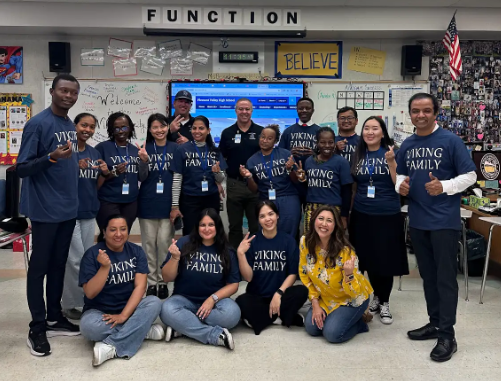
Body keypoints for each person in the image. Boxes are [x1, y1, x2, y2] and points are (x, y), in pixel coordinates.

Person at [396, 93, 477, 362]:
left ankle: (448, 334)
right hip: (418, 222)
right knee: (428, 278)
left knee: (444, 280)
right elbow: (400, 176)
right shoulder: (407, 144)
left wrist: (445, 186)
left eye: (426, 110)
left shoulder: (451, 141)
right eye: (416, 111)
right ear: (410, 114)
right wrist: (401, 186)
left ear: (435, 113)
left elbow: (470, 175)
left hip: (444, 221)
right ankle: (435, 323)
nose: (421, 115)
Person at [17, 74, 81, 357]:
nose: (68, 96)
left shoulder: (68, 124)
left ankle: (54, 316)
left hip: (68, 208)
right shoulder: (37, 124)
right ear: (53, 91)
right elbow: (22, 168)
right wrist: (51, 157)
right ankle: (37, 326)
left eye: (73, 92)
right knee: (39, 268)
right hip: (44, 209)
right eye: (63, 90)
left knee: (58, 264)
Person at [79, 215, 164, 367]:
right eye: (113, 230)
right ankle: (142, 330)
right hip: (99, 313)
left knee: (154, 302)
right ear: (104, 232)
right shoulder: (92, 254)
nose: (118, 234)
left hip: (130, 309)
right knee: (87, 327)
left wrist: (124, 316)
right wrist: (104, 268)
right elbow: (90, 293)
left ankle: (111, 346)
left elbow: (140, 287)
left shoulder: (137, 251)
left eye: (123, 229)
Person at [349, 116, 408, 325]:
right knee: (366, 260)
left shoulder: (393, 153)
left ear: (382, 132)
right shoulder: (358, 154)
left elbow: (398, 184)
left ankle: (384, 301)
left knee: (385, 260)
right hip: (362, 214)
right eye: (367, 128)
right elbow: (355, 184)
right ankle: (374, 296)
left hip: (387, 214)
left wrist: (391, 162)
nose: (370, 132)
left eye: (375, 128)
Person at [160, 208, 241, 350]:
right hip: (183, 300)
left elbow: (233, 284)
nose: (207, 229)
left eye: (211, 225)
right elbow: (166, 277)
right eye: (202, 225)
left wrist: (212, 299)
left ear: (218, 226)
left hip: (215, 304)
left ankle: (182, 326)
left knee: (233, 314)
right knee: (167, 309)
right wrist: (175, 258)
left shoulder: (227, 250)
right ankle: (214, 335)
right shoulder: (183, 243)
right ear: (197, 227)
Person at [300, 205, 373, 343]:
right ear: (314, 220)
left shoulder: (345, 252)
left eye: (329, 220)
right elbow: (304, 274)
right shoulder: (305, 242)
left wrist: (349, 274)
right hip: (326, 297)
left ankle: (360, 322)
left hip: (351, 299)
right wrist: (315, 304)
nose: (324, 224)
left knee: (332, 334)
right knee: (312, 328)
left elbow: (354, 293)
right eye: (321, 219)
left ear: (335, 226)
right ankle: (337, 318)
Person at [62, 113, 110, 321]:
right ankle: (71, 304)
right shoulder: (66, 151)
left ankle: (85, 300)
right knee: (74, 260)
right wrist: (74, 168)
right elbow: (57, 181)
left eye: (91, 127)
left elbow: (94, 184)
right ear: (75, 126)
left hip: (90, 211)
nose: (87, 130)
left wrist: (105, 172)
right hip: (70, 213)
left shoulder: (93, 151)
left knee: (87, 259)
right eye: (83, 125)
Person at [236, 200, 308, 335]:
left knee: (302, 291)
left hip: (281, 295)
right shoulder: (253, 241)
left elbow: (292, 274)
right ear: (258, 219)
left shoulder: (288, 241)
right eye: (262, 216)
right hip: (258, 297)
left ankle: (263, 319)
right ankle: (282, 318)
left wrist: (279, 293)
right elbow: (248, 277)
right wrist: (241, 254)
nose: (267, 219)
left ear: (277, 215)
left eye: (271, 214)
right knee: (241, 301)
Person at [137, 114, 177, 299]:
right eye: (155, 127)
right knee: (148, 244)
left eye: (162, 126)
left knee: (164, 242)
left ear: (168, 127)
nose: (159, 130)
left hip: (169, 202)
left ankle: (163, 280)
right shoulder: (145, 148)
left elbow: (179, 177)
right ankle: (151, 282)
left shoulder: (175, 148)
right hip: (147, 201)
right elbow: (141, 177)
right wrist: (144, 161)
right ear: (150, 130)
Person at [95, 112, 148, 242]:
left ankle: (120, 262)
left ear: (130, 128)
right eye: (116, 128)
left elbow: (142, 178)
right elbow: (96, 180)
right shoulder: (102, 148)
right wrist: (114, 172)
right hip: (108, 201)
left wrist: (144, 162)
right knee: (108, 236)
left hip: (130, 202)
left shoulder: (136, 150)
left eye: (124, 127)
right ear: (111, 130)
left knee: (122, 237)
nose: (120, 131)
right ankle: (104, 261)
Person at [170, 116, 227, 236]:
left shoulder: (214, 151)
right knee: (191, 234)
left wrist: (217, 173)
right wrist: (175, 205)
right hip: (189, 198)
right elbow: (177, 178)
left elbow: (221, 179)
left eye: (201, 128)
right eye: (194, 128)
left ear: (208, 130)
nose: (197, 131)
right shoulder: (182, 149)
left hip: (211, 198)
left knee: (211, 233)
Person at [219, 98, 263, 249]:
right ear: (236, 110)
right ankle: (234, 261)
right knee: (235, 226)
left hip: (255, 185)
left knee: (255, 226)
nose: (244, 112)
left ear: (252, 111)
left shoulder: (260, 132)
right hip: (234, 184)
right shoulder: (227, 133)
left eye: (247, 109)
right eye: (241, 109)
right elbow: (221, 158)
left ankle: (255, 258)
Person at [241, 124, 300, 238]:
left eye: (269, 138)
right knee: (268, 234)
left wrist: (290, 169)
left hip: (287, 197)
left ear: (275, 141)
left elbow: (296, 181)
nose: (264, 140)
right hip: (266, 199)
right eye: (262, 137)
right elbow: (254, 190)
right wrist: (249, 177)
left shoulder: (285, 154)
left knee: (289, 234)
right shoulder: (252, 161)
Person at [296, 127, 353, 232]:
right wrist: (302, 180)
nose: (327, 146)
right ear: (317, 143)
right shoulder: (309, 161)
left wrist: (344, 216)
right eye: (323, 142)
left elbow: (347, 191)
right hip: (311, 209)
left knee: (332, 244)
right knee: (310, 242)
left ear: (334, 143)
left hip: (333, 209)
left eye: (330, 142)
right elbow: (307, 188)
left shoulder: (341, 162)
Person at [278, 97, 320, 167]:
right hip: (291, 173)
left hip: (314, 173)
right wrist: (289, 153)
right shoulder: (288, 131)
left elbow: (325, 157)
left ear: (312, 110)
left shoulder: (320, 132)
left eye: (307, 108)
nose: (304, 110)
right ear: (297, 110)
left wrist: (315, 155)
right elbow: (279, 155)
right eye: (301, 108)